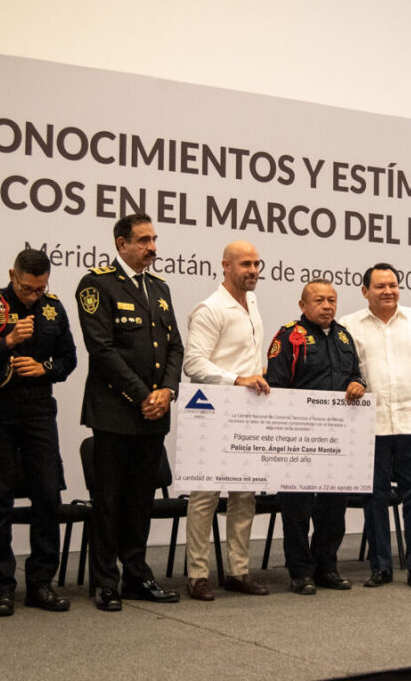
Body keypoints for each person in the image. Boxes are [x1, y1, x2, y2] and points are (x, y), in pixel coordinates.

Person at [76, 213, 182, 612]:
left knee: (141, 500)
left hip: (154, 413)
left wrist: (167, 391)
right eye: (142, 240)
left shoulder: (159, 287)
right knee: (109, 500)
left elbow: (175, 348)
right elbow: (101, 349)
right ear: (121, 244)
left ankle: (137, 574)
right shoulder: (97, 284)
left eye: (154, 239)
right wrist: (144, 395)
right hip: (115, 411)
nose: (151, 247)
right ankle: (106, 581)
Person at [0, 248, 77, 615]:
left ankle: (41, 583)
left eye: (41, 288)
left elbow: (69, 359)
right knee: (0, 498)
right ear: (13, 274)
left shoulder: (53, 307)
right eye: (29, 288)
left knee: (48, 495)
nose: (35, 295)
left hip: (39, 409)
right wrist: (8, 343)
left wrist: (44, 367)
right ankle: (2, 586)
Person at [342, 263, 411, 590]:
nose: (388, 291)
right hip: (369, 428)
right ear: (365, 291)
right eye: (380, 286)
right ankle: (381, 567)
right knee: (374, 499)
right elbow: (344, 373)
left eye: (393, 285)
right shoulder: (349, 325)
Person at [182, 241, 270, 601]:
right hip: (212, 411)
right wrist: (237, 379)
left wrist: (258, 373)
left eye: (256, 264)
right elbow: (194, 364)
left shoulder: (251, 303)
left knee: (244, 495)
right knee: (204, 497)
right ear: (225, 266)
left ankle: (237, 571)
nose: (252, 270)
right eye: (245, 264)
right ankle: (198, 575)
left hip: (246, 413)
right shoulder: (209, 309)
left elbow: (244, 355)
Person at [265, 279, 366, 594]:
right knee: (297, 509)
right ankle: (300, 572)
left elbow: (355, 374)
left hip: (337, 440)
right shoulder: (288, 337)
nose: (327, 306)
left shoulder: (344, 336)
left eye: (332, 300)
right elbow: (276, 387)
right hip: (299, 439)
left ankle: (327, 567)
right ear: (303, 305)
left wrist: (358, 384)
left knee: (333, 509)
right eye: (319, 300)